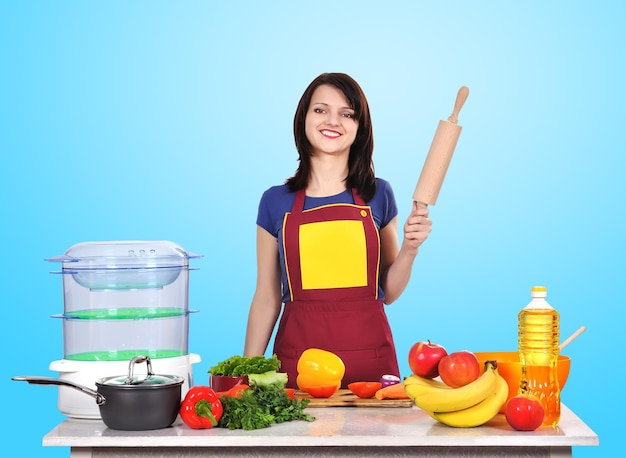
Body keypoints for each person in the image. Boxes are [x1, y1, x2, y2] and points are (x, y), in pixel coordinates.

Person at [243, 72, 432, 388]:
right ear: (303, 118)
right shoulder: (275, 201)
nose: (333, 121)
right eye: (321, 110)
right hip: (297, 367)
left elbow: (388, 292)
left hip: (370, 370)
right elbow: (266, 297)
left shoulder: (378, 194)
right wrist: (244, 375)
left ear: (359, 128)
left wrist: (410, 250)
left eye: (347, 114)